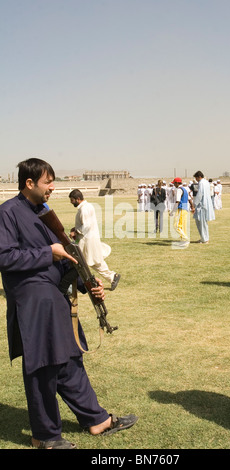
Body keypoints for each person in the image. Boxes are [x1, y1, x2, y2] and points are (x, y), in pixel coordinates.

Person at [0, 158, 137, 449]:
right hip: (33, 303)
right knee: (44, 367)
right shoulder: (7, 213)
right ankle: (45, 436)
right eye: (48, 182)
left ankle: (96, 419)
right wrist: (47, 253)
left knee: (71, 360)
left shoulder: (44, 213)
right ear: (29, 183)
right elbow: (5, 257)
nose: (53, 188)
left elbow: (64, 260)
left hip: (55, 298)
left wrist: (88, 284)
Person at [69, 189, 120, 291]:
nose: (71, 202)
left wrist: (76, 232)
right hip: (88, 239)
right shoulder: (87, 206)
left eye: (72, 200)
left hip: (86, 241)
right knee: (95, 260)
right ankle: (112, 276)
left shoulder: (84, 209)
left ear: (78, 199)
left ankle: (78, 285)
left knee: (81, 262)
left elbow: (86, 226)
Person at [169, 177, 194, 249]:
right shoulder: (185, 189)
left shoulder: (179, 190)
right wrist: (192, 207)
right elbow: (190, 199)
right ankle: (184, 241)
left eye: (174, 183)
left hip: (181, 209)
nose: (174, 185)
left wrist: (172, 211)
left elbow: (177, 201)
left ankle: (185, 239)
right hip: (185, 209)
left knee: (176, 225)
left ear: (177, 183)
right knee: (183, 226)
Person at [193, 171, 215, 244]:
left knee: (201, 223)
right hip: (205, 203)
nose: (196, 179)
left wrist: (194, 203)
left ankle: (205, 239)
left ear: (199, 177)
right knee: (202, 223)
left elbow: (200, 194)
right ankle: (204, 238)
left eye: (196, 178)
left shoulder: (201, 183)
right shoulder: (206, 182)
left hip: (202, 205)